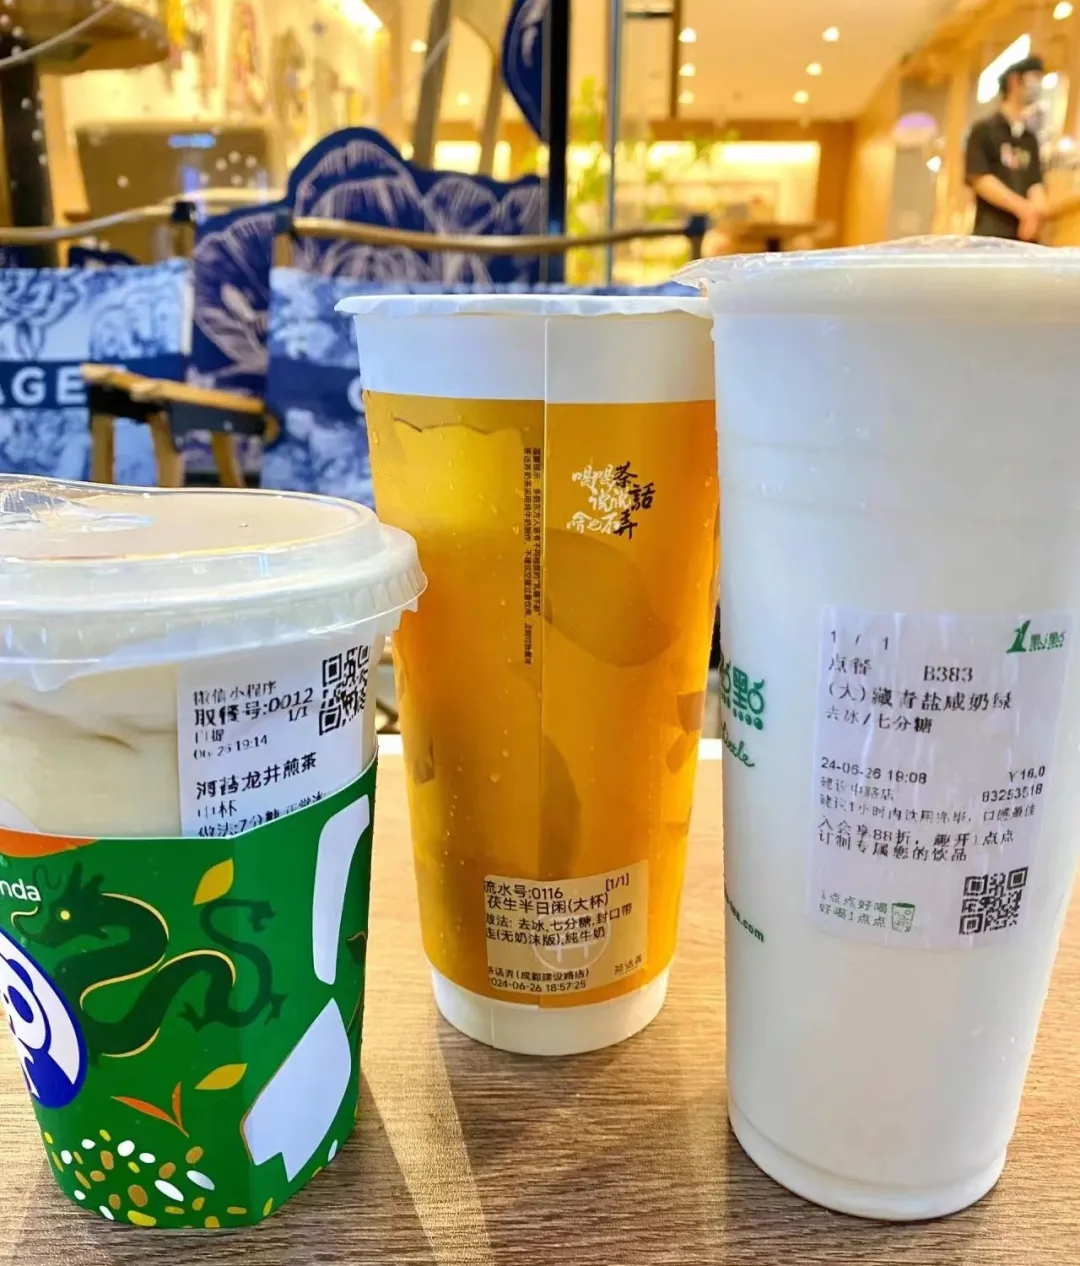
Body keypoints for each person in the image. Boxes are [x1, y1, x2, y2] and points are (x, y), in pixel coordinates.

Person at [965, 54, 1046, 241]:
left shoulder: (1030, 139)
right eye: (1034, 77)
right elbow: (980, 179)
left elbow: (1035, 182)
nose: (1038, 85)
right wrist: (1022, 209)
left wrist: (1036, 212)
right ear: (1014, 81)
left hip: (1025, 239)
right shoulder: (983, 130)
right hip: (991, 236)